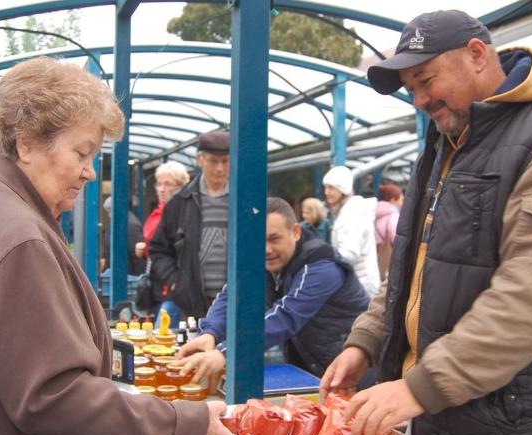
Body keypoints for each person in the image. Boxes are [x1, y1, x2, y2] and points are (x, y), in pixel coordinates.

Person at [0, 57, 245, 435]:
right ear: (26, 143)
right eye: (82, 153)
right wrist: (186, 426)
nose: (90, 172)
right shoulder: (18, 238)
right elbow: (54, 397)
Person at [320, 10, 532, 435]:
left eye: (426, 80)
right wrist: (365, 341)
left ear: (477, 55)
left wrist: (419, 387)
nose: (419, 99)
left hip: (519, 428)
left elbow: (531, 295)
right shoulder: (445, 149)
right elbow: (411, 268)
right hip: (447, 418)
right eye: (411, 89)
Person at [176, 197, 369, 380]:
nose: (266, 249)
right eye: (259, 241)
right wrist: (211, 333)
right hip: (311, 371)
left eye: (274, 239)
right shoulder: (266, 261)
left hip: (352, 374)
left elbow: (286, 315)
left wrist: (225, 352)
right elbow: (232, 295)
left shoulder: (322, 266)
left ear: (295, 232)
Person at [149, 131, 231, 319]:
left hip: (235, 304)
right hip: (191, 305)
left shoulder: (245, 202)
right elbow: (158, 249)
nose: (219, 168)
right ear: (199, 160)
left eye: (225, 161)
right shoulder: (179, 203)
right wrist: (176, 281)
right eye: (213, 161)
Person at [135, 161, 189, 324]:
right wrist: (145, 250)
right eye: (159, 184)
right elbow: (160, 246)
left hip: (173, 288)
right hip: (158, 285)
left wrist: (174, 281)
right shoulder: (159, 211)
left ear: (181, 186)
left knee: (163, 337)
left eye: (168, 184)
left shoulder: (182, 212)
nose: (161, 189)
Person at [323, 166, 381, 297]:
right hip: (357, 281)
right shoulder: (348, 211)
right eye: (325, 187)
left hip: (361, 283)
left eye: (331, 187)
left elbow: (349, 254)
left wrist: (324, 258)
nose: (326, 192)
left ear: (343, 189)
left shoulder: (353, 214)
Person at [102, 196, 146, 276]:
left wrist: (138, 281)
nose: (109, 215)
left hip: (128, 276)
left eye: (110, 211)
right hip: (117, 273)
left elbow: (137, 257)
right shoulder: (115, 223)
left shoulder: (131, 225)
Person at [374, 183, 403, 281]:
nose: (402, 203)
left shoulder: (372, 212)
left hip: (373, 255)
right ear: (393, 200)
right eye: (401, 200)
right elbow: (395, 238)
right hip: (385, 256)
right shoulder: (393, 214)